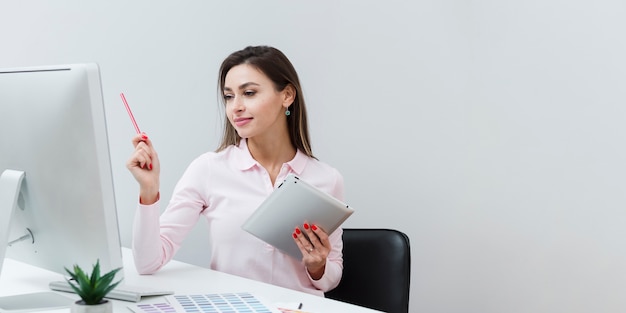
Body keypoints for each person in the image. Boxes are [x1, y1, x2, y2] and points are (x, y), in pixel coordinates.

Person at [126, 45, 345, 296]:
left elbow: (331, 278)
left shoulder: (327, 179)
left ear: (287, 96)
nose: (235, 107)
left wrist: (318, 267)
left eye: (249, 93)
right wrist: (148, 190)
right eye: (229, 97)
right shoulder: (208, 169)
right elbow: (147, 262)